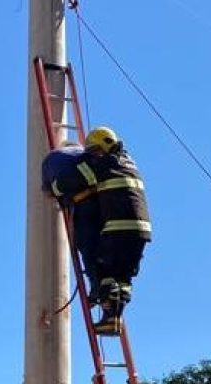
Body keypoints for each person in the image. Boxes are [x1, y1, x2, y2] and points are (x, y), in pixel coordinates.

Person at [80, 126, 152, 336]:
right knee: (123, 279)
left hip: (118, 228)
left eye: (94, 150)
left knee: (105, 271)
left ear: (104, 146)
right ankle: (113, 320)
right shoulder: (128, 162)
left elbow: (80, 175)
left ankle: (107, 309)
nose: (93, 155)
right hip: (140, 231)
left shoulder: (105, 163)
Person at [41, 141, 103, 301]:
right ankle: (109, 290)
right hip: (103, 203)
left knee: (87, 246)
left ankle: (97, 288)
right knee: (104, 246)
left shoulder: (51, 158)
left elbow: (47, 192)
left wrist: (61, 197)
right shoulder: (86, 154)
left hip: (82, 206)